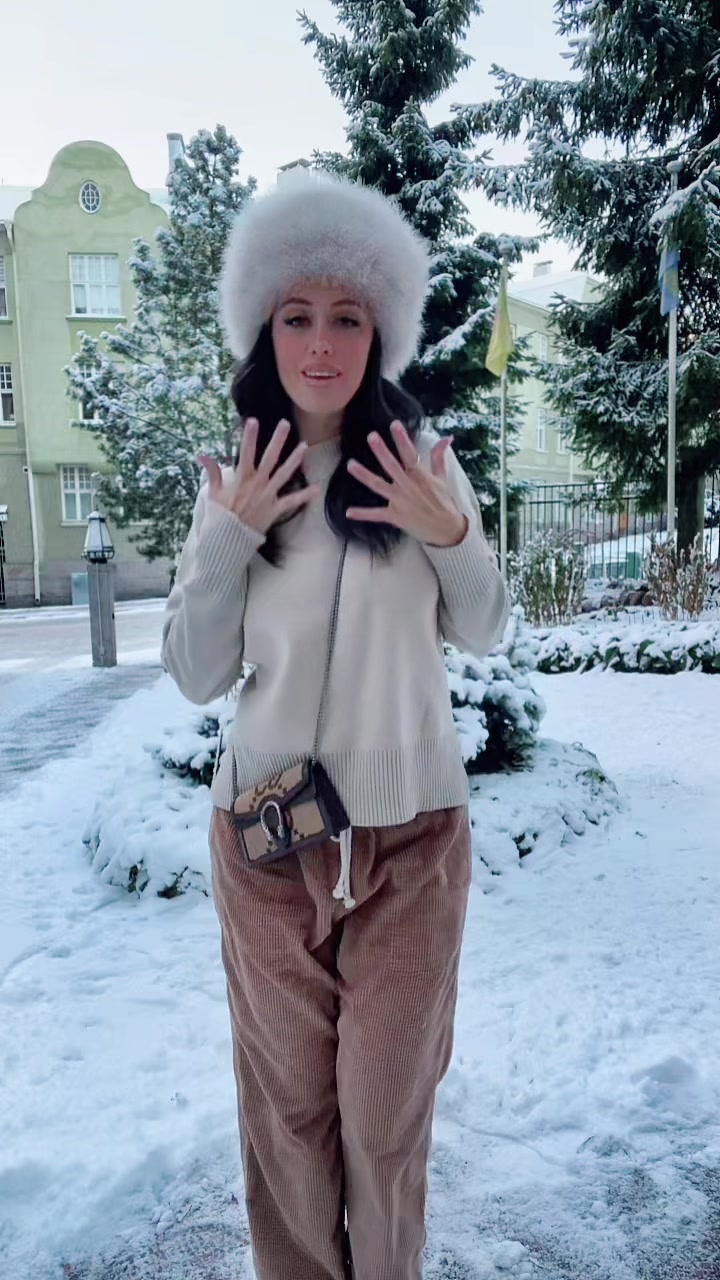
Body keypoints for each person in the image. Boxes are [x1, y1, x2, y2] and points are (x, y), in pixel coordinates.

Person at [161, 175, 509, 1280]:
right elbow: (194, 674)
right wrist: (227, 536)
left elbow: (487, 626)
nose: (322, 342)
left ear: (380, 332)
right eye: (298, 315)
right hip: (266, 844)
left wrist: (449, 532)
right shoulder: (239, 481)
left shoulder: (424, 468)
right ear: (264, 330)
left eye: (348, 316)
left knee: (384, 1116)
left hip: (412, 842)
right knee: (289, 1118)